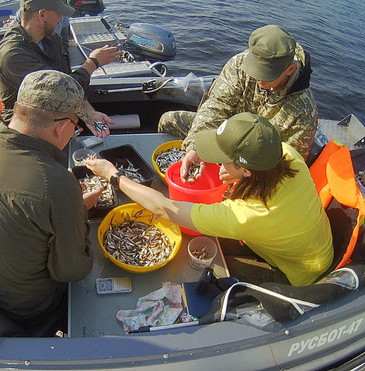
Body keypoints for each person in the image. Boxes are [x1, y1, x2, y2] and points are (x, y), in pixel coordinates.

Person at [86, 112, 333, 286]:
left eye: (221, 157)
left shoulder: (245, 216)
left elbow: (163, 208)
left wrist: (113, 175)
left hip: (296, 274)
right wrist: (233, 173)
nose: (217, 162)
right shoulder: (287, 155)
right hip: (301, 241)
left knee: (211, 274)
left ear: (247, 170)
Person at [0, 70, 102, 334]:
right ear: (62, 127)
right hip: (23, 310)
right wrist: (78, 213)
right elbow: (72, 271)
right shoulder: (58, 184)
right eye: (76, 126)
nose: (73, 132)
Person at [158, 25, 318, 180]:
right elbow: (215, 108)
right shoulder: (240, 64)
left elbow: (288, 165)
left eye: (266, 75)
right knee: (168, 120)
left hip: (255, 164)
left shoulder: (303, 112)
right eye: (255, 70)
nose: (258, 79)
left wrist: (243, 172)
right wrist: (195, 147)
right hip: (224, 136)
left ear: (290, 69)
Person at [0, 0, 122, 136]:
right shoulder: (14, 55)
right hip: (23, 131)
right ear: (42, 14)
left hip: (53, 122)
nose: (61, 19)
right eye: (58, 13)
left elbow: (68, 80)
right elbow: (58, 91)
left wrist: (89, 114)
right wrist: (92, 63)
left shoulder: (52, 39)